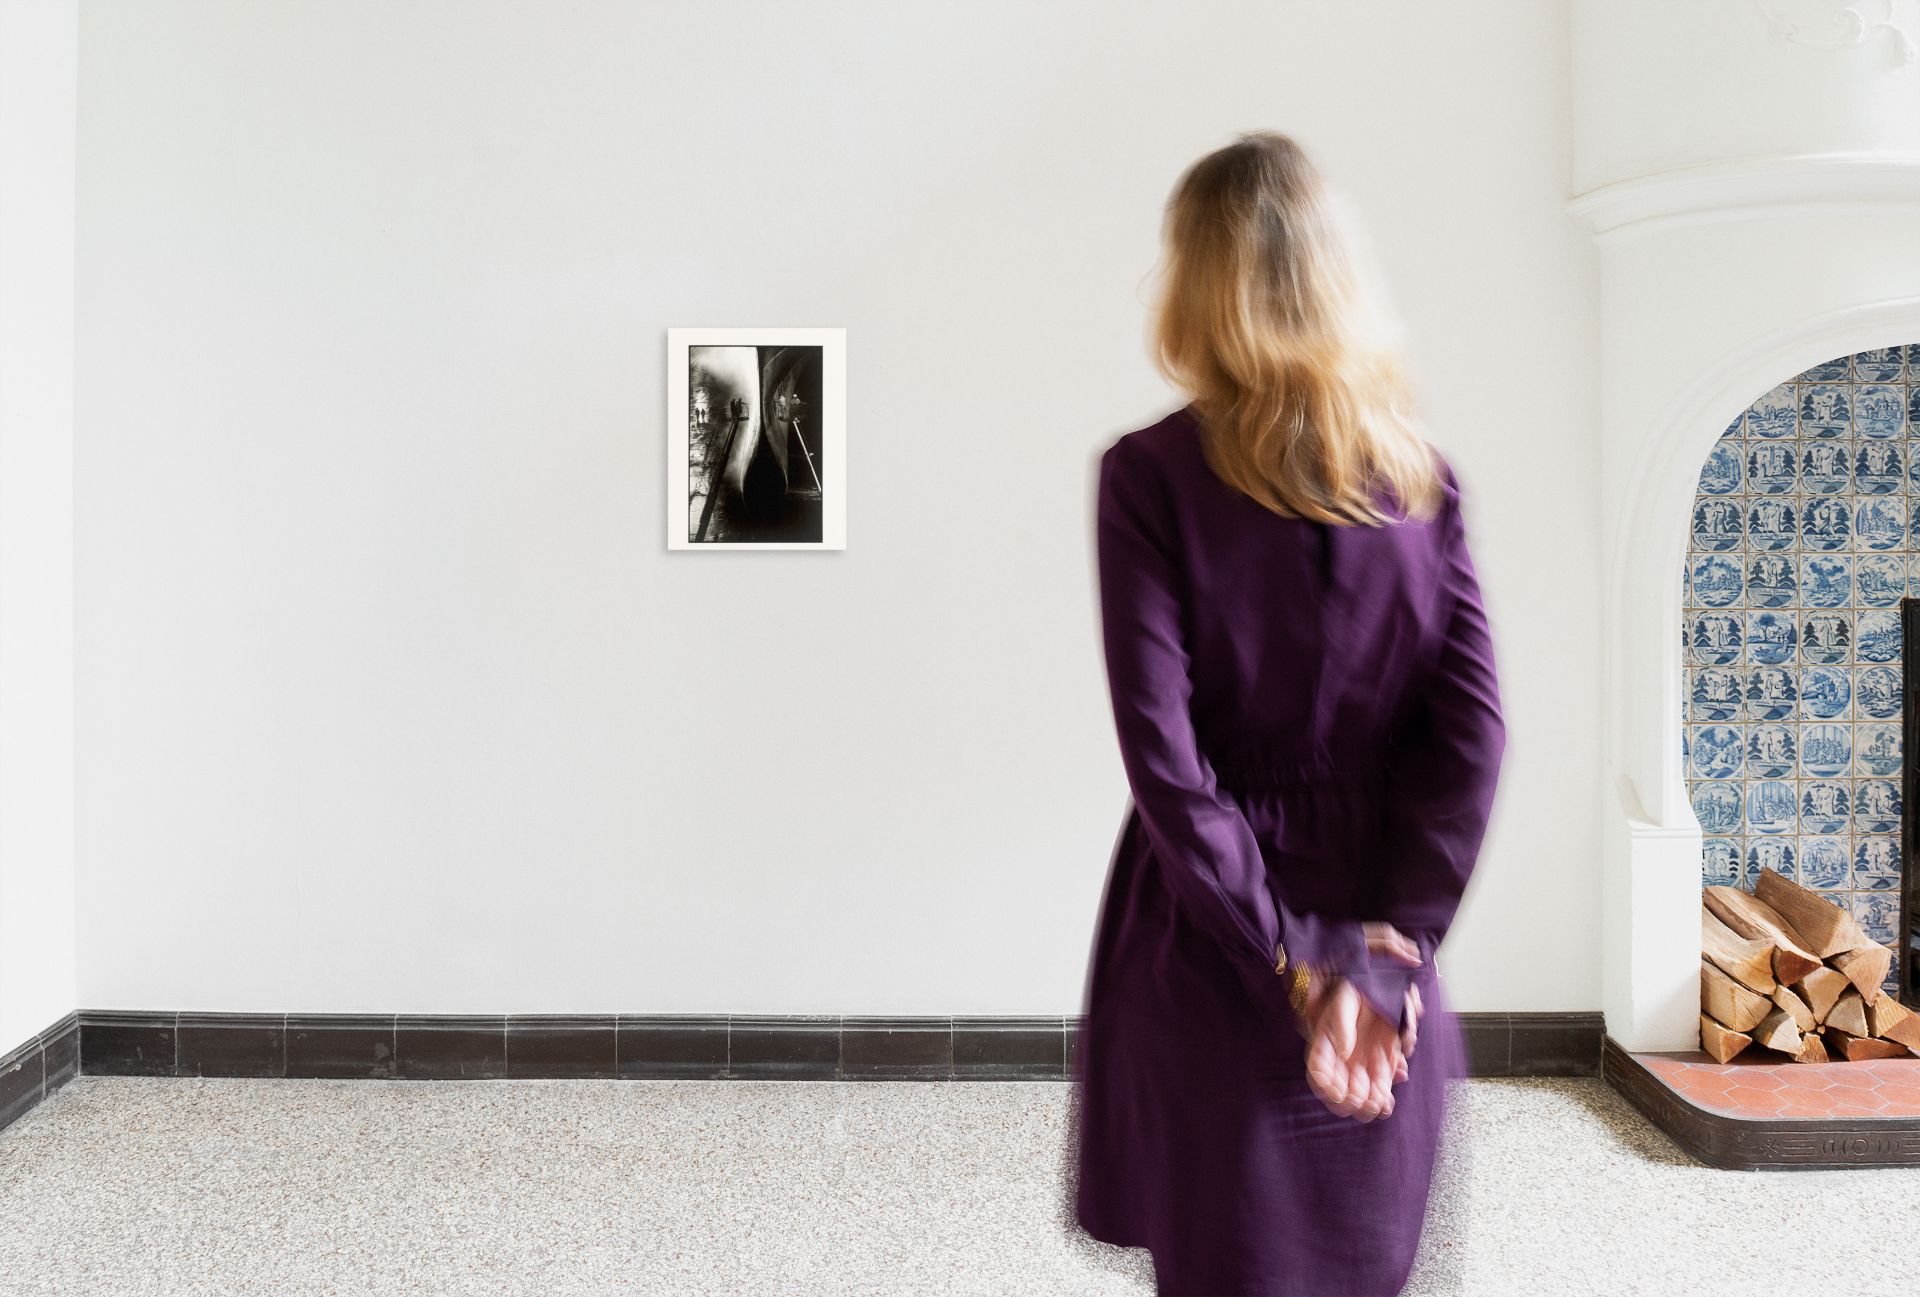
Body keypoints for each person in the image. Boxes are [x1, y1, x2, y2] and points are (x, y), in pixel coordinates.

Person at [1070, 131, 1506, 1296]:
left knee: (1230, 1254)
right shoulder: (1425, 481)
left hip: (1218, 938)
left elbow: (1169, 763)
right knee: (1363, 1260)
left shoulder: (1148, 478)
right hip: (1378, 923)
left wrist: (1296, 955)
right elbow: (1468, 741)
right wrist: (1386, 952)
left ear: (1196, 284)